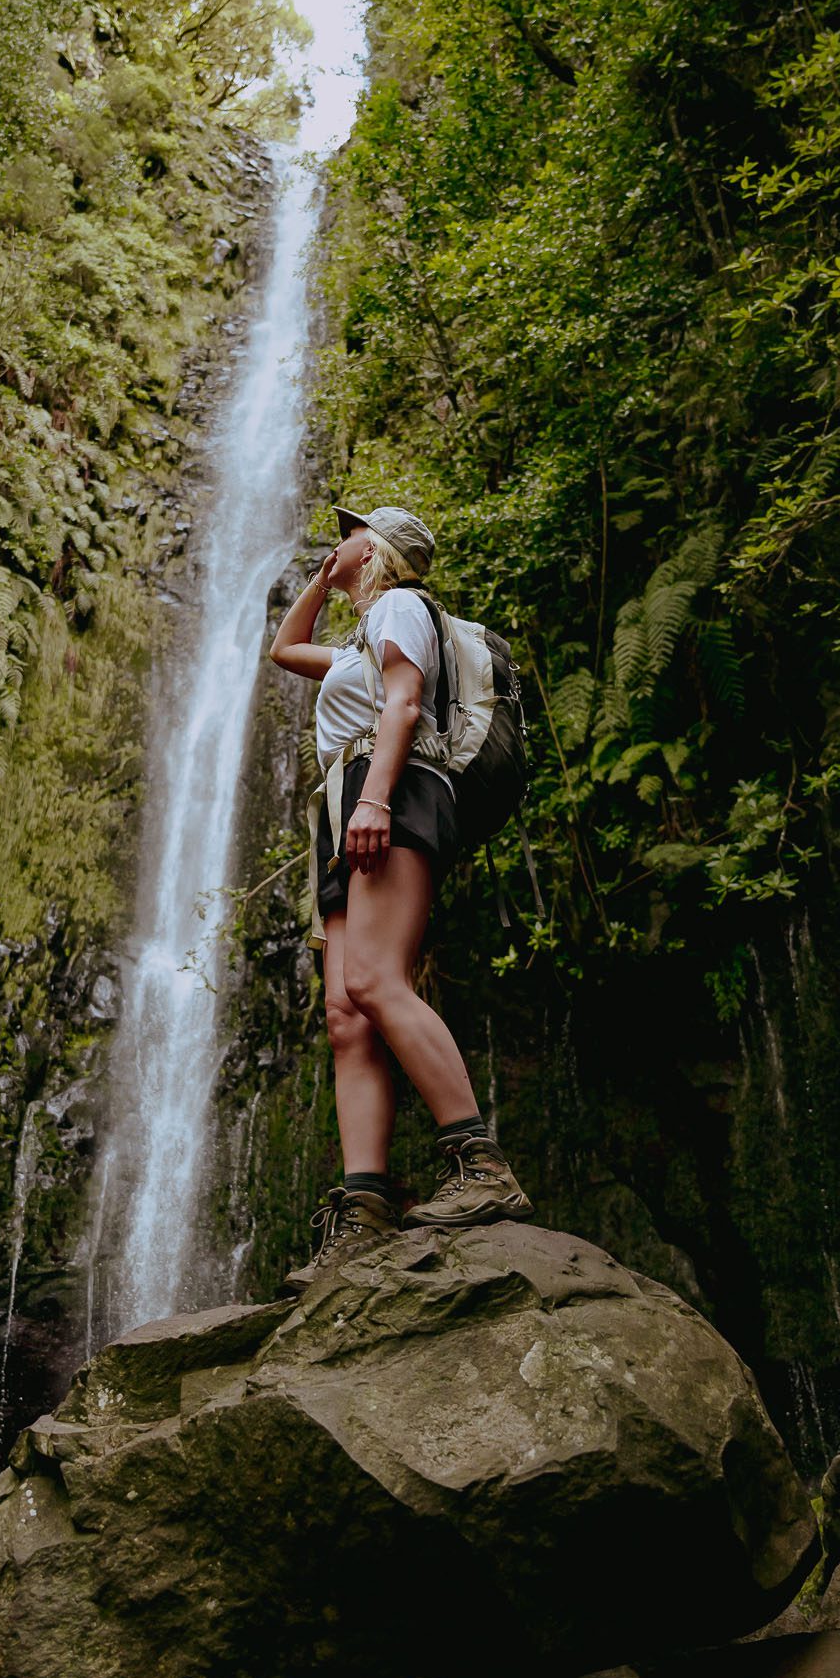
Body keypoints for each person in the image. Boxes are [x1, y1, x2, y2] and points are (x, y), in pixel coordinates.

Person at [268, 503, 533, 1289]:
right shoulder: (358, 634)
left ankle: (480, 1164)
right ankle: (365, 1210)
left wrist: (376, 799)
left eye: (349, 532)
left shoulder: (401, 606)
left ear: (379, 551)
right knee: (346, 1015)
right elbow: (284, 651)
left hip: (395, 786)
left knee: (376, 981)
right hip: (349, 792)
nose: (335, 538)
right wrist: (322, 579)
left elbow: (405, 704)